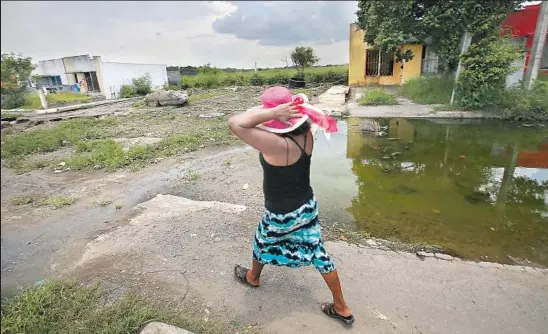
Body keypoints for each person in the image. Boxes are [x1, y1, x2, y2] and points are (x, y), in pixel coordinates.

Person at [227, 86, 354, 325]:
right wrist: (278, 111)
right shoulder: (306, 134)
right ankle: (342, 307)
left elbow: (235, 123)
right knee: (318, 252)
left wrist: (272, 113)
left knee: (262, 242)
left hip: (280, 213)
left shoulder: (276, 144)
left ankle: (253, 278)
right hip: (306, 205)